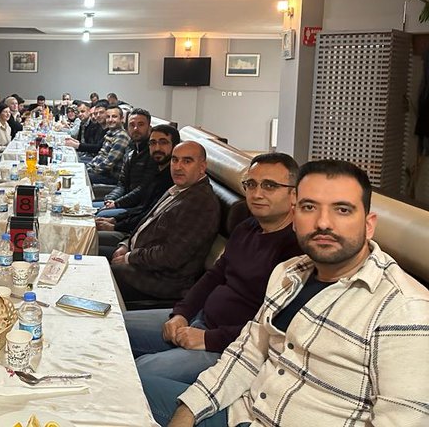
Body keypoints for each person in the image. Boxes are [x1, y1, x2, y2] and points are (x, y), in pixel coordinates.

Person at [158, 160, 429, 427]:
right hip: (241, 412)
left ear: (369, 225)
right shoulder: (288, 273)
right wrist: (188, 411)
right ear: (295, 217)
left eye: (342, 210)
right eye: (309, 207)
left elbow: (402, 418)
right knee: (132, 387)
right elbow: (246, 354)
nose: (323, 223)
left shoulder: (405, 308)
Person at [126, 153, 302, 389]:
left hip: (229, 347)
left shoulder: (297, 249)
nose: (257, 193)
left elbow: (276, 328)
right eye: (251, 184)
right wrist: (182, 313)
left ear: (294, 194)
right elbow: (214, 276)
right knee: (113, 325)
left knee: (137, 374)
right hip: (199, 319)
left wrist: (208, 339)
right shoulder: (247, 227)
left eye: (269, 186)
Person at [110, 141, 220, 302]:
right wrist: (125, 244)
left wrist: (129, 257)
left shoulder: (200, 203)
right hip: (141, 259)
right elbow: (145, 224)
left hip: (162, 281)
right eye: (175, 160)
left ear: (202, 167)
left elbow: (171, 257)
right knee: (86, 254)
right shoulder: (178, 189)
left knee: (93, 271)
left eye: (187, 161)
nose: (178, 167)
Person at [96, 124, 179, 256]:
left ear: (175, 146)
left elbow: (150, 217)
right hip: (133, 230)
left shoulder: (173, 180)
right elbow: (142, 206)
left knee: (87, 240)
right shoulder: (156, 170)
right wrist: (115, 219)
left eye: (163, 142)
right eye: (153, 143)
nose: (157, 148)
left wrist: (116, 225)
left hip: (138, 240)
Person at [98, 108, 157, 217]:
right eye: (132, 125)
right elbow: (122, 184)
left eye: (140, 124)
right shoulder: (130, 147)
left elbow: (142, 190)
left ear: (149, 128)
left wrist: (117, 203)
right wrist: (110, 199)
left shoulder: (152, 152)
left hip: (136, 208)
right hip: (123, 200)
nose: (136, 128)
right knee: (87, 207)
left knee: (99, 215)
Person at [87, 105, 130, 185]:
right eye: (108, 117)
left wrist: (90, 170)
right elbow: (101, 155)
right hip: (103, 172)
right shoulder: (110, 133)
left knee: (80, 176)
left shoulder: (121, 136)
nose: (110, 120)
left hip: (112, 177)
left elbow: (109, 163)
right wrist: (89, 166)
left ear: (122, 119)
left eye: (114, 116)